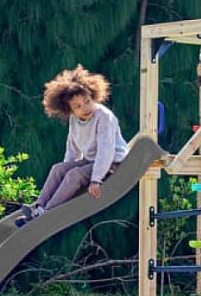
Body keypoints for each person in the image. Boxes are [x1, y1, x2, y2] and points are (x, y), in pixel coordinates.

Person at [16, 65, 129, 227]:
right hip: (92, 161)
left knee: (74, 175)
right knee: (58, 169)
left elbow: (106, 151)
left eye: (87, 101)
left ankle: (47, 212)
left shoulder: (104, 117)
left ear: (93, 96)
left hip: (111, 163)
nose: (85, 108)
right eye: (78, 106)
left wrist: (96, 179)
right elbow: (72, 147)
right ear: (69, 110)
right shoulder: (75, 120)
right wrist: (66, 168)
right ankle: (38, 206)